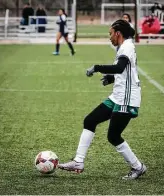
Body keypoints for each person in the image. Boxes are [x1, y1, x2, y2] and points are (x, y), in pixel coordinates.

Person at [58, 19, 147, 180]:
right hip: (117, 96)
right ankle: (78, 161)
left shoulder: (127, 46)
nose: (109, 37)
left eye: (110, 33)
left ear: (118, 33)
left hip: (126, 99)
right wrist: (112, 78)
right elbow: (126, 72)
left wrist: (97, 68)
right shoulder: (124, 46)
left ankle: (138, 167)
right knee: (90, 120)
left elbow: (120, 67)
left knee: (113, 136)